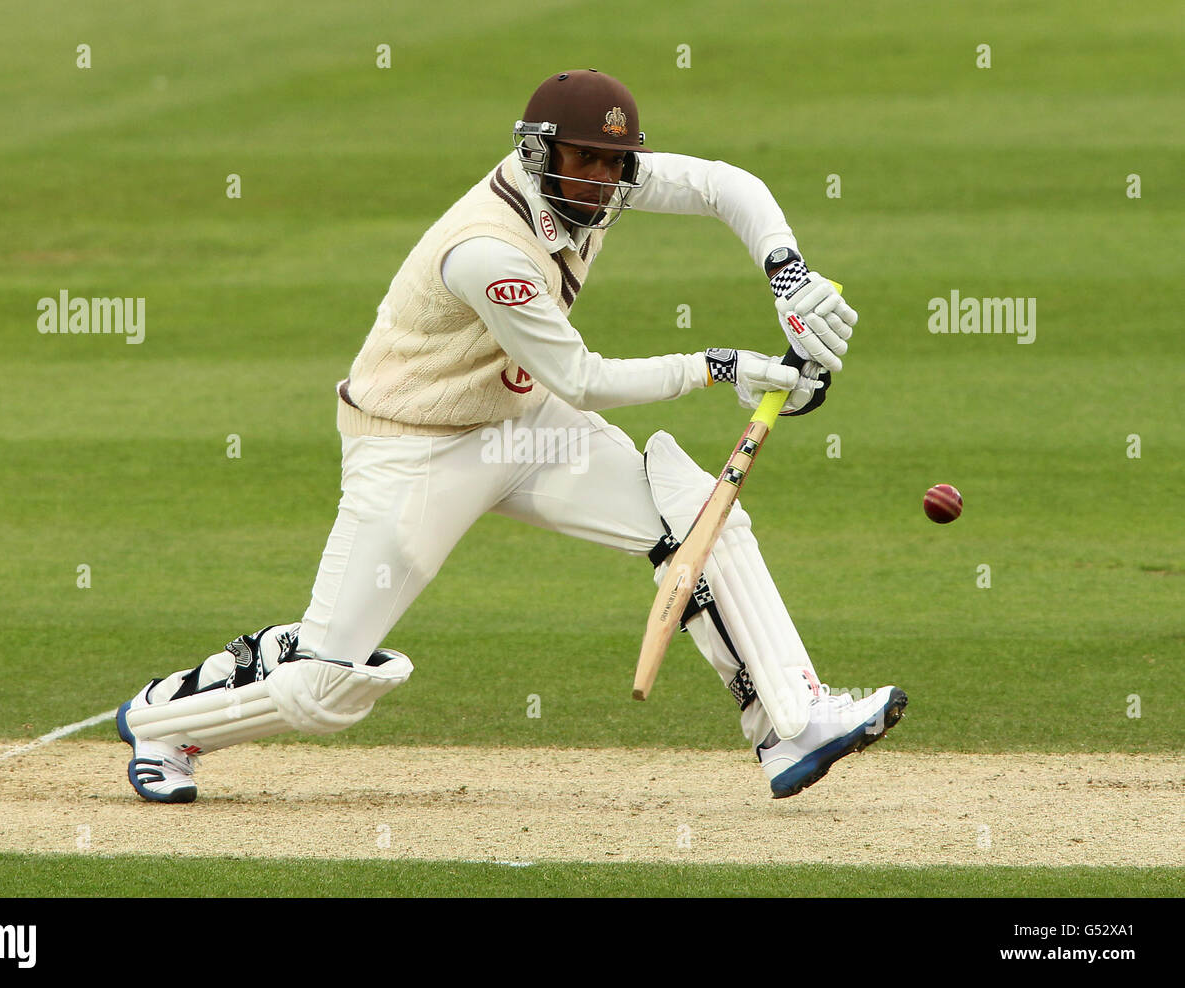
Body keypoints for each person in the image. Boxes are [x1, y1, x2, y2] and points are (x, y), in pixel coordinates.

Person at [116, 69, 906, 804]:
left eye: (615, 162)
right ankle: (167, 721)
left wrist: (788, 276)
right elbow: (583, 378)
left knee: (700, 513)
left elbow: (728, 184)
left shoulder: (608, 185)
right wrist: (724, 365)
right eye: (584, 159)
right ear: (539, 151)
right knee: (327, 689)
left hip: (520, 425)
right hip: (415, 446)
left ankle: (791, 721)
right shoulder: (488, 251)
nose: (601, 180)